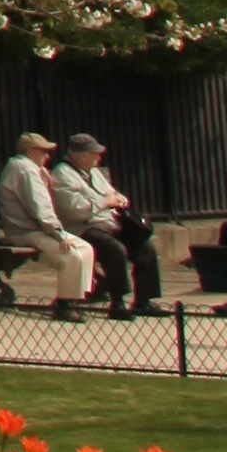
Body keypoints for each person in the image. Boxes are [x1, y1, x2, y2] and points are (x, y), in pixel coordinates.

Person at [57, 133, 162, 317]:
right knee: (115, 249)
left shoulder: (94, 172)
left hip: (110, 225)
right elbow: (74, 210)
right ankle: (117, 302)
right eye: (95, 153)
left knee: (146, 247)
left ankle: (143, 301)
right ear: (82, 155)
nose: (99, 157)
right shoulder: (62, 175)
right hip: (84, 229)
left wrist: (120, 199)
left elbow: (111, 193)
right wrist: (105, 202)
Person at [0, 132, 94, 302]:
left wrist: (45, 182)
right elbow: (40, 207)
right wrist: (58, 233)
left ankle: (79, 297)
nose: (48, 156)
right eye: (44, 151)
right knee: (71, 256)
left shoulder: (24, 167)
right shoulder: (26, 170)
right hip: (25, 232)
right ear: (30, 151)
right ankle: (65, 304)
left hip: (35, 229)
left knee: (86, 249)